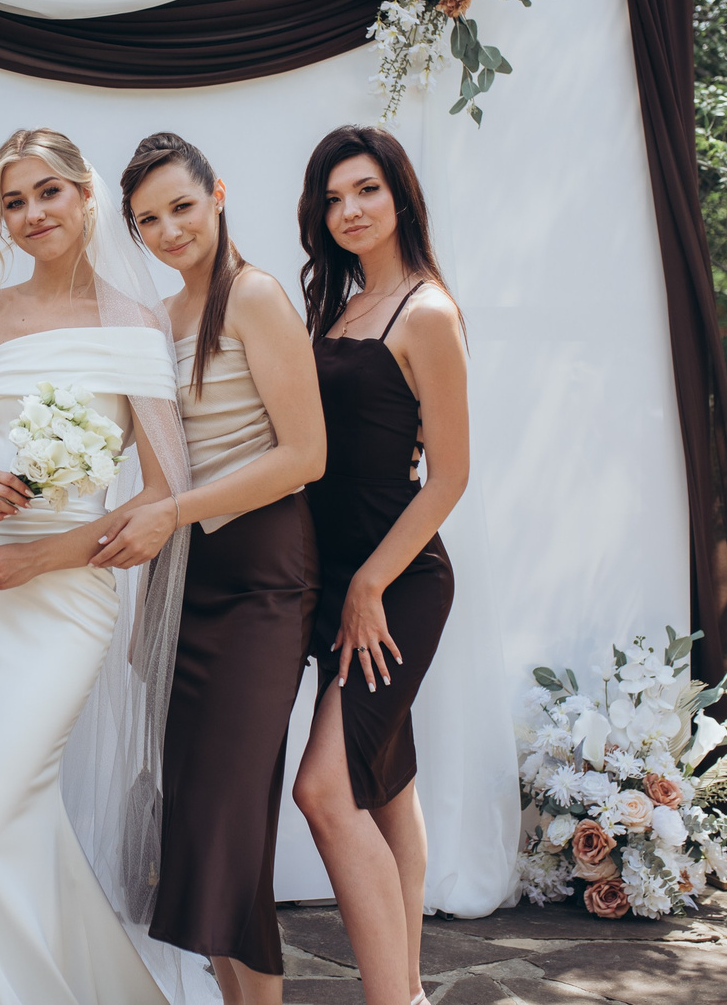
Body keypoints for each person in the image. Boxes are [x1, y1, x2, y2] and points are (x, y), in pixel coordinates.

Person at [0, 128, 204, 1005]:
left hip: (68, 590)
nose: (31, 214)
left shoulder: (136, 321)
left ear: (87, 196)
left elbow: (163, 496)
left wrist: (43, 555)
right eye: (12, 201)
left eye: (48, 192)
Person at [117, 133, 326, 1005]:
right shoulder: (159, 317)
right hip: (184, 578)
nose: (170, 230)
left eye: (182, 207)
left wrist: (173, 515)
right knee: (199, 819)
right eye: (148, 220)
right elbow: (159, 465)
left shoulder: (256, 295)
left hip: (262, 576)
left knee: (233, 816)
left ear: (219, 195)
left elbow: (305, 454)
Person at [290, 128, 469, 1005]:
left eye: (365, 190)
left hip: (396, 583)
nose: (349, 210)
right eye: (333, 198)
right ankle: (412, 991)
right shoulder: (340, 307)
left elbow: (452, 475)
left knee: (325, 790)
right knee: (388, 785)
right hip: (329, 579)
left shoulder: (426, 312)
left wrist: (369, 584)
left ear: (399, 194)